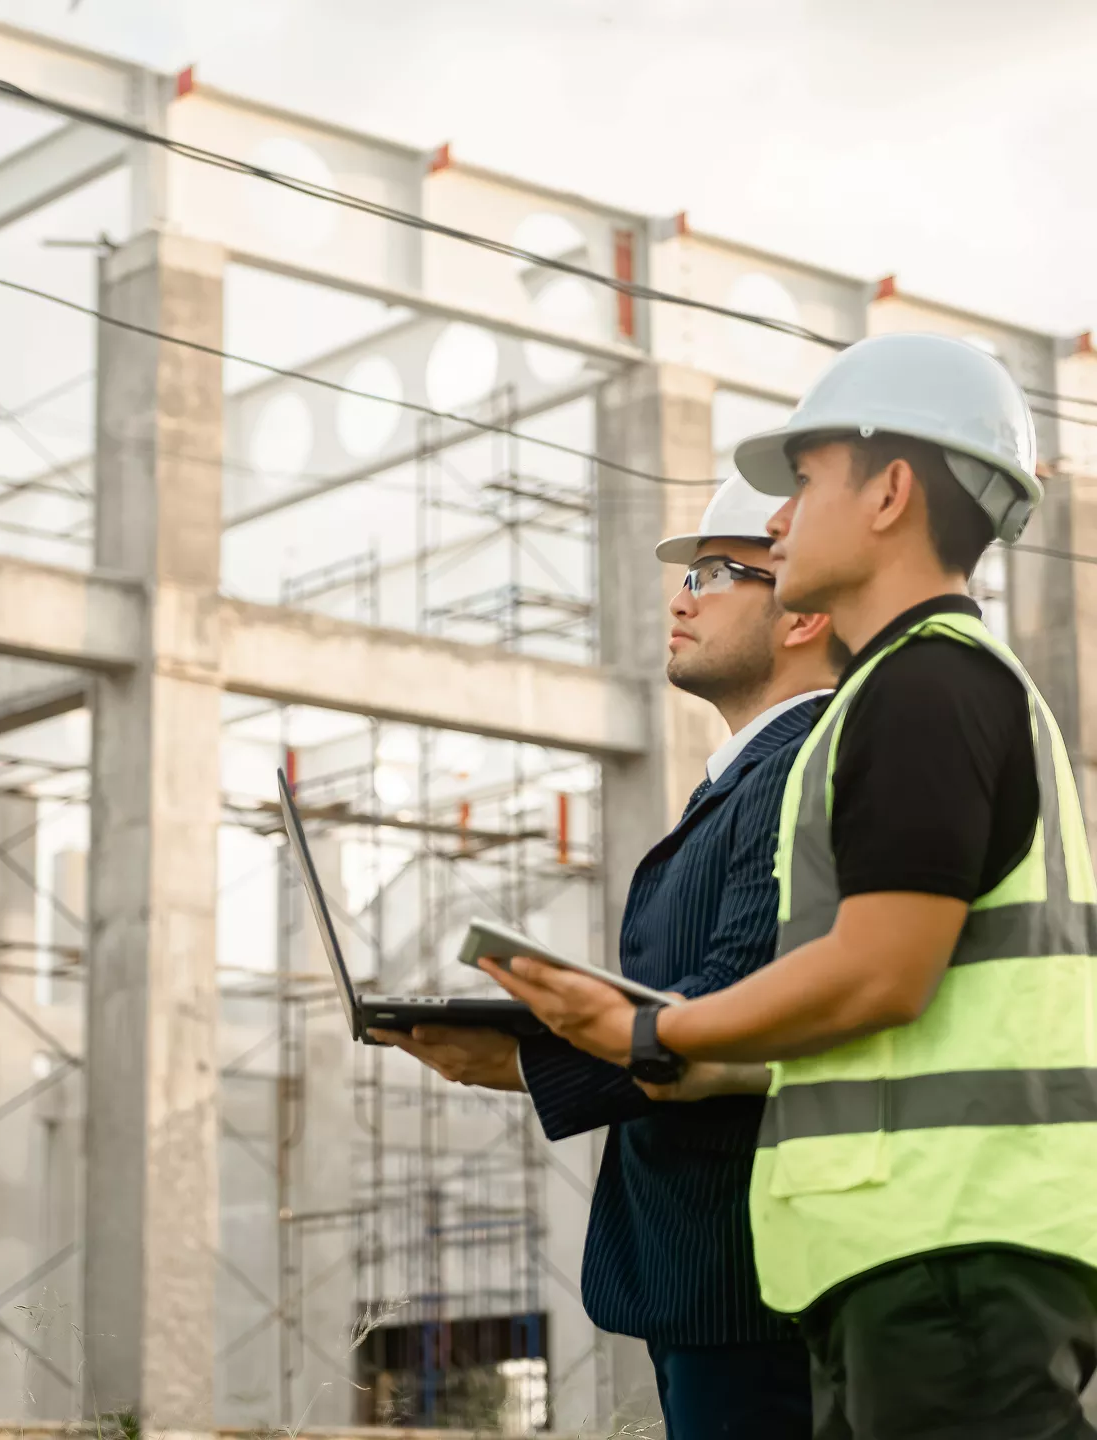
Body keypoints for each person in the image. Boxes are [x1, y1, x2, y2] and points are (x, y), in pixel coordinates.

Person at [485, 332, 1097, 1440]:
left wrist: (653, 1032)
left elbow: (879, 972)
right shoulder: (903, 697)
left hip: (953, 1245)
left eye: (801, 483)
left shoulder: (929, 687)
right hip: (916, 1245)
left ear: (890, 493)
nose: (774, 520)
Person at [374, 474, 843, 1440]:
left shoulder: (801, 766)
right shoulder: (744, 777)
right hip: (702, 1270)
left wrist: (522, 1058)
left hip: (750, 1281)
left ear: (803, 615)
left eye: (716, 573)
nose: (681, 597)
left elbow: (738, 1005)